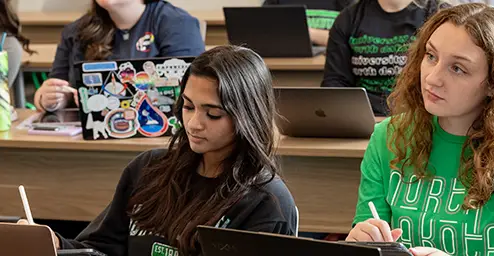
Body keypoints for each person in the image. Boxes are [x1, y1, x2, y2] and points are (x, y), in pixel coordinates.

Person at [18, 45, 297, 256]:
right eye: (188, 107)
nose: (194, 124)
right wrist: (53, 243)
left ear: (247, 116)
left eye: (213, 114)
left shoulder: (266, 201)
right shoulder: (148, 168)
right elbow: (100, 249)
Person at [346, 3, 494, 256]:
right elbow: (371, 237)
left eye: (457, 68)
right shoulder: (388, 136)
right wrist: (360, 243)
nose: (432, 78)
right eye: (431, 56)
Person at [34, 0, 205, 112]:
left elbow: (188, 94)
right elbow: (55, 85)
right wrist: (49, 99)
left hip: (153, 134)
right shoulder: (75, 31)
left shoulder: (177, 23)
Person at [321, 0, 451, 116]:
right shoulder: (348, 18)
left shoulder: (438, 15)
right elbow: (335, 82)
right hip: (364, 117)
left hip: (418, 117)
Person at [262, 0, 355, 46]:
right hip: (282, 65)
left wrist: (307, 33)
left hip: (327, 67)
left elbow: (353, 40)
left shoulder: (345, 2)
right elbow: (263, 33)